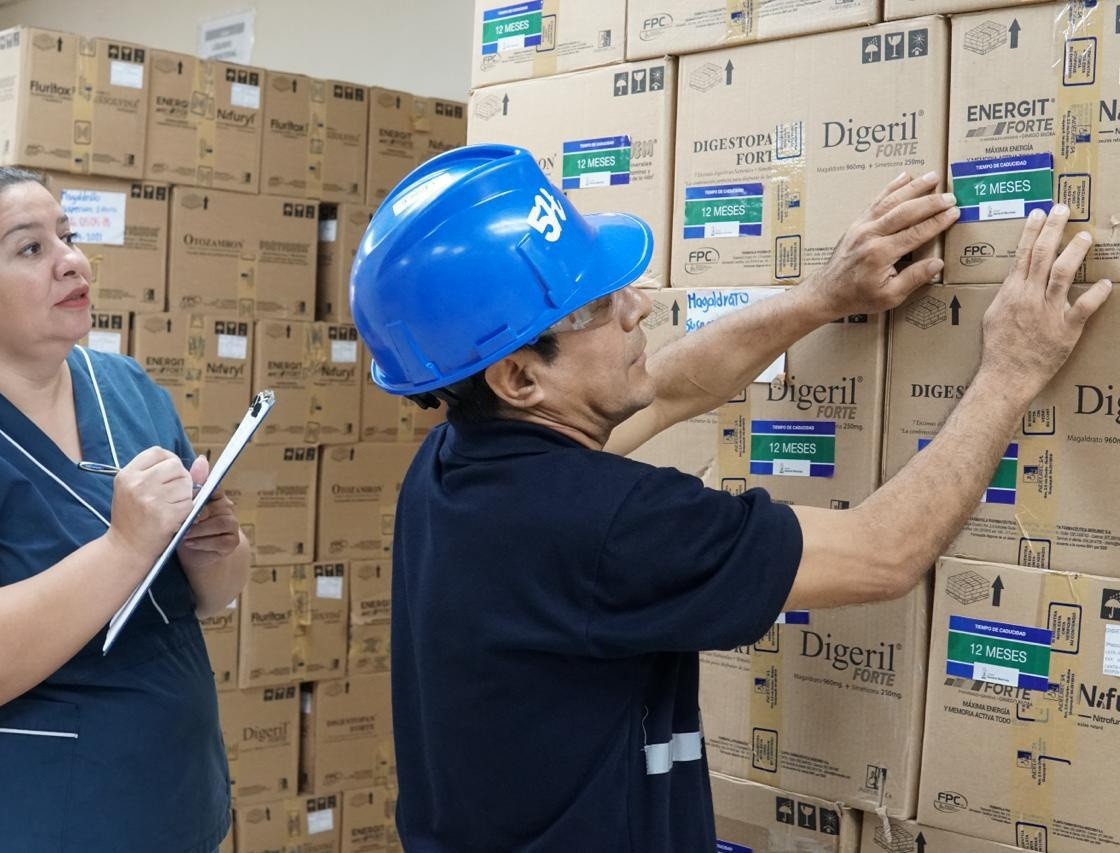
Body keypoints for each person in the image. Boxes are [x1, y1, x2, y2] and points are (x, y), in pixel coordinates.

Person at [349, 144, 1111, 852]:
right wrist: (1011, 370)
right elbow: (885, 551)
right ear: (519, 377)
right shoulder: (611, 525)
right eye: (593, 307)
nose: (636, 307)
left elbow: (670, 387)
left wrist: (821, 296)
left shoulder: (451, 467)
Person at [0, 167, 251, 852]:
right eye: (31, 248)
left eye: (68, 235)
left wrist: (214, 551)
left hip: (167, 807)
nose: (71, 261)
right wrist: (124, 548)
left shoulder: (127, 388)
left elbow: (210, 597)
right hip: (5, 821)